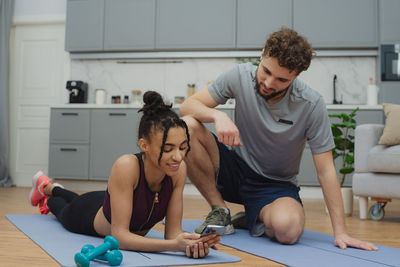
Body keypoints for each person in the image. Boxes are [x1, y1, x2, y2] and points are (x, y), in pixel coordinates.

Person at [179, 27, 378, 250]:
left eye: (281, 79)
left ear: (296, 75)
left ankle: (258, 216)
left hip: (274, 186)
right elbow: (187, 107)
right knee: (187, 126)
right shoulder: (239, 76)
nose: (269, 82)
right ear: (262, 54)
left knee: (287, 230)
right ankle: (220, 211)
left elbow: (326, 170)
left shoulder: (311, 104)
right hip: (234, 168)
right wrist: (217, 115)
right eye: (266, 71)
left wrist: (341, 232)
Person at [29, 91, 220, 258]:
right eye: (168, 149)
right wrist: (174, 246)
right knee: (61, 209)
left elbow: (173, 234)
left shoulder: (177, 172)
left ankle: (52, 187)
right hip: (86, 215)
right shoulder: (126, 166)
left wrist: (194, 243)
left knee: (73, 197)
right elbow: (119, 236)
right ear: (144, 145)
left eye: (183, 147)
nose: (178, 157)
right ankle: (46, 192)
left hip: (110, 201)